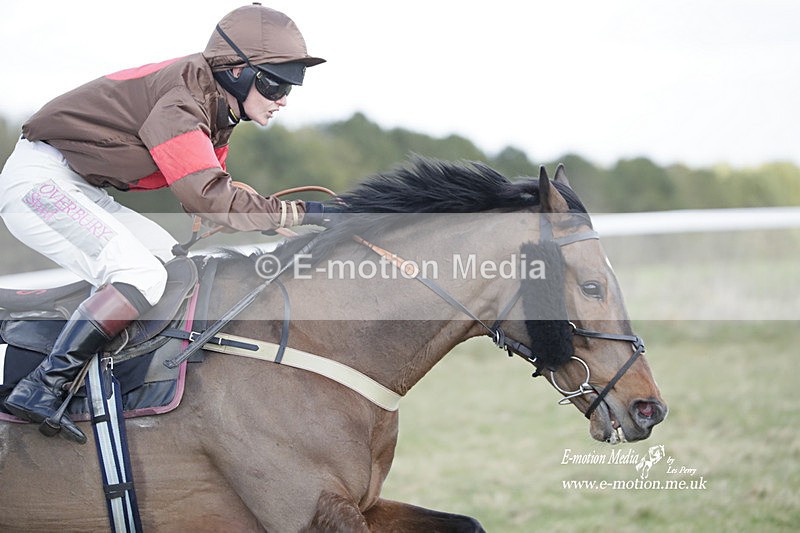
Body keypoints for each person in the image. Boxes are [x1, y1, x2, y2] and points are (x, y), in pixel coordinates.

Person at [0, 3, 332, 444]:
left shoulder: (217, 108)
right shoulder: (182, 102)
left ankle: (106, 369)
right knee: (137, 272)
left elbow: (214, 193)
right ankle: (44, 385)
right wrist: (305, 213)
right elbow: (212, 200)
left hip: (78, 186)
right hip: (38, 181)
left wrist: (269, 220)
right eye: (275, 83)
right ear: (236, 71)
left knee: (169, 265)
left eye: (292, 84)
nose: (284, 98)